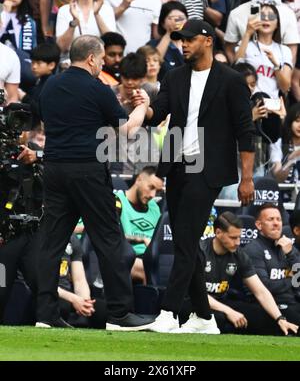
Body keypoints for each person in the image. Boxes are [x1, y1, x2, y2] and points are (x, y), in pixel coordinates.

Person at [140, 18, 256, 333]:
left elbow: (246, 132)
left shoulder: (231, 80)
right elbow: (159, 111)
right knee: (184, 241)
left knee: (186, 238)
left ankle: (168, 312)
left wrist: (247, 178)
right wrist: (143, 109)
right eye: (181, 40)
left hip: (208, 169)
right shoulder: (174, 76)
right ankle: (204, 317)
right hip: (177, 166)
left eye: (189, 39)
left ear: (207, 40)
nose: (184, 44)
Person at [34, 34, 154, 330]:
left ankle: (45, 315)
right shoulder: (96, 87)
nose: (102, 63)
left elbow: (46, 120)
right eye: (101, 59)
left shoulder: (50, 85)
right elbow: (126, 130)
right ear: (91, 58)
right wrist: (142, 106)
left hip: (54, 168)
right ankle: (119, 313)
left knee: (51, 242)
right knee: (110, 240)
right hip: (87, 170)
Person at [200, 211, 298, 335]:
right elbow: (197, 292)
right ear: (218, 233)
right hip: (195, 302)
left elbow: (260, 291)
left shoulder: (239, 255)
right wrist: (229, 311)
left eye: (239, 237)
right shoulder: (201, 251)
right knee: (219, 318)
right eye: (233, 238)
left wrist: (280, 319)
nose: (238, 242)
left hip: (221, 301)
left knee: (264, 317)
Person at [244, 203, 300, 325]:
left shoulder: (287, 247)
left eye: (278, 219)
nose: (276, 223)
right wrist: (291, 279)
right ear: (259, 225)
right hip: (267, 307)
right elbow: (264, 287)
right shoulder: (253, 249)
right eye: (270, 219)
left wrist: (291, 254)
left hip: (291, 302)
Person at [55, 0, 115, 66]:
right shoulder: (64, 10)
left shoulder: (106, 9)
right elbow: (61, 47)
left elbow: (113, 43)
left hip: (99, 66)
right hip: (70, 65)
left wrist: (96, 15)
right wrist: (74, 22)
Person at [115, 166, 163, 285]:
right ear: (139, 179)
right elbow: (112, 237)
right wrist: (140, 239)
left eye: (157, 191)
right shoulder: (117, 201)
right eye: (151, 187)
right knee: (146, 269)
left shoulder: (154, 207)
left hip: (152, 257)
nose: (153, 195)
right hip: (125, 257)